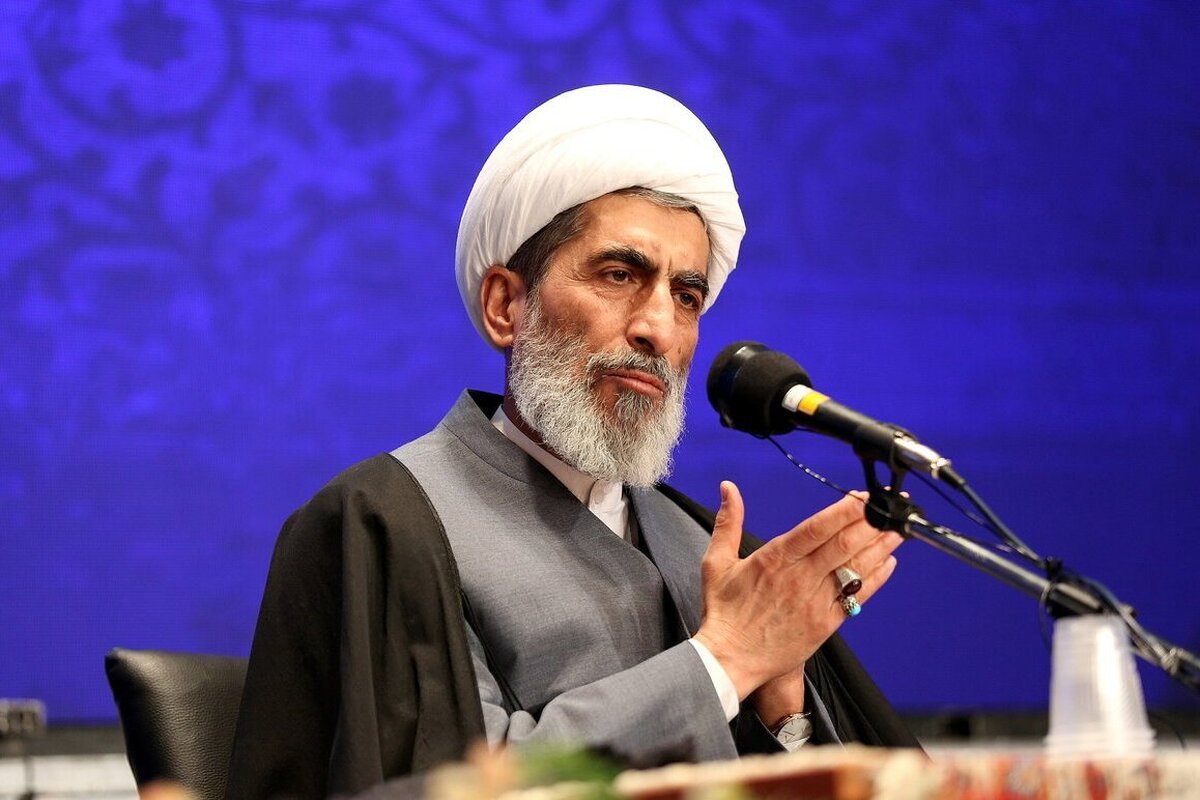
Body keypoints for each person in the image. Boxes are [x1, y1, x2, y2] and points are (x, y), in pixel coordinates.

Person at [225, 85, 918, 800]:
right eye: (619, 275)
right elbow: (450, 788)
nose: (659, 329)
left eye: (686, 296)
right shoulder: (386, 523)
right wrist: (724, 660)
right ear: (506, 305)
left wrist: (781, 705)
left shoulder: (700, 542)